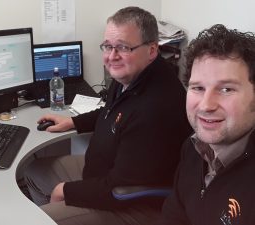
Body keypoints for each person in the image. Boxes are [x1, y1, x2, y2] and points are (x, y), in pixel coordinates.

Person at [24, 6, 191, 225]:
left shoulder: (156, 107)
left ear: (152, 50)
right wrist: (72, 122)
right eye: (108, 46)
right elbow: (112, 110)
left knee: (38, 220)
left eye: (123, 47)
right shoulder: (131, 78)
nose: (112, 56)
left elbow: (118, 189)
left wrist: (65, 190)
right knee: (35, 170)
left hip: (132, 204)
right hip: (104, 174)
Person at [159, 24, 255, 225]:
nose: (206, 105)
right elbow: (174, 216)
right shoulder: (193, 147)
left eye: (227, 89)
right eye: (198, 88)